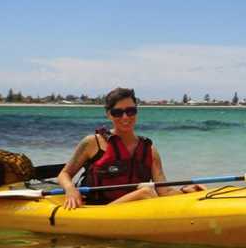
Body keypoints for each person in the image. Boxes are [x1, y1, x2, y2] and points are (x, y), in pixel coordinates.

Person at [57, 87, 204, 209]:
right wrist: (70, 189)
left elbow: (163, 191)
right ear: (109, 115)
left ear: (136, 111)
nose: (125, 117)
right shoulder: (92, 142)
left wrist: (186, 192)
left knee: (146, 192)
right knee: (145, 192)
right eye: (117, 113)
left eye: (130, 111)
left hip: (132, 211)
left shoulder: (149, 149)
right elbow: (64, 174)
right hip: (99, 211)